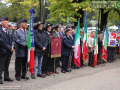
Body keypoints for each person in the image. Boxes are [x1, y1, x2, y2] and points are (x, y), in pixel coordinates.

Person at [0, 17, 14, 84]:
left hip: (9, 51)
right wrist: (9, 47)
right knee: (1, 65)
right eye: (6, 22)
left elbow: (12, 39)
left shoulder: (8, 30)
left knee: (7, 65)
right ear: (2, 23)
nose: (7, 23)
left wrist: (12, 46)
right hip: (2, 51)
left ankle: (6, 76)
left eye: (7, 22)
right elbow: (1, 42)